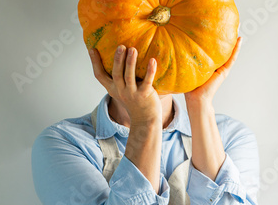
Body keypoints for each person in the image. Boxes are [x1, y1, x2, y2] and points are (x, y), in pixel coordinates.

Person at [31, 36, 259, 204]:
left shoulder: (230, 137)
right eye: (137, 36)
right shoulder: (62, 143)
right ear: (102, 53)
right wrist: (147, 120)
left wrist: (200, 105)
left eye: (167, 33)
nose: (153, 51)